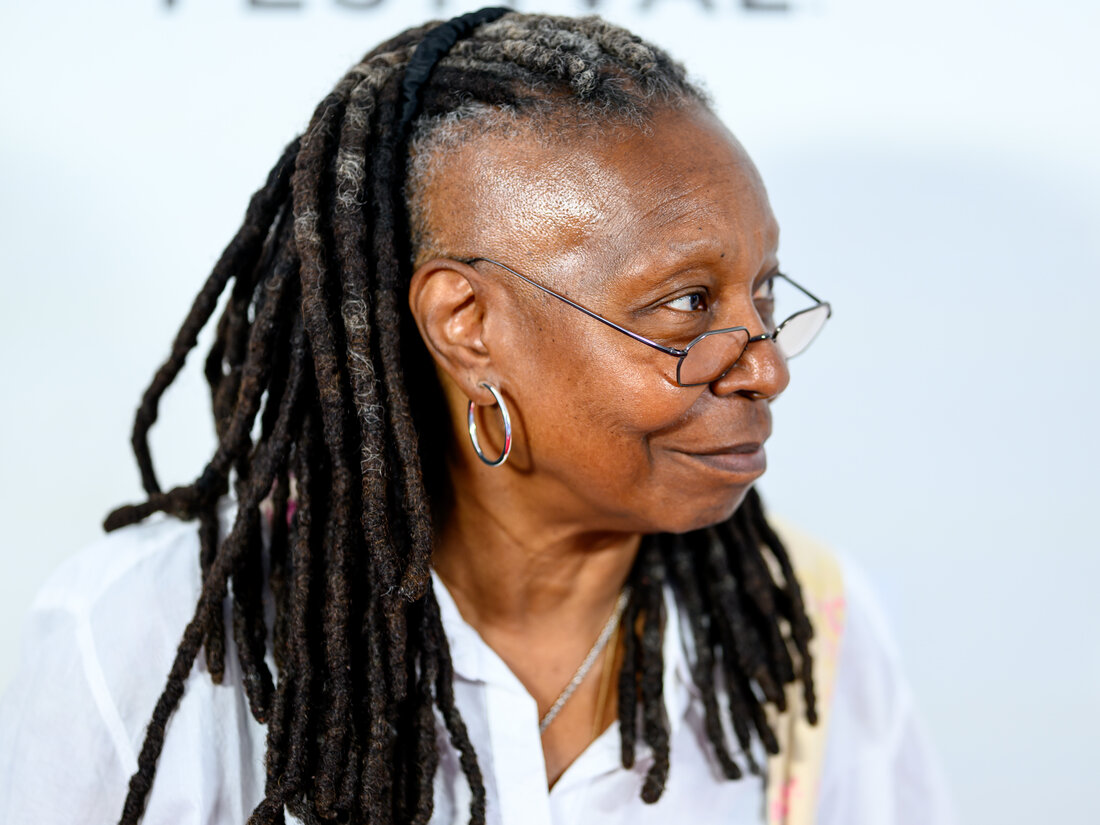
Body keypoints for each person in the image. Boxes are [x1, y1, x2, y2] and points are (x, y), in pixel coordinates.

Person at [0, 9, 956, 825]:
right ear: (468, 325)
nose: (768, 368)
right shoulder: (150, 636)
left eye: (763, 290)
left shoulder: (809, 629)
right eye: (687, 303)